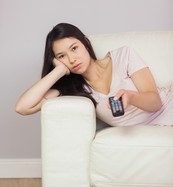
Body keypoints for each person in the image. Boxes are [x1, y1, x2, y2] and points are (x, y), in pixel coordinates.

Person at [16, 23, 173, 126]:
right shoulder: (73, 88)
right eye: (61, 56)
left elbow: (155, 102)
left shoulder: (123, 56)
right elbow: (22, 107)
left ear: (85, 42)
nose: (71, 59)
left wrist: (131, 97)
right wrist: (58, 71)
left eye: (74, 48)